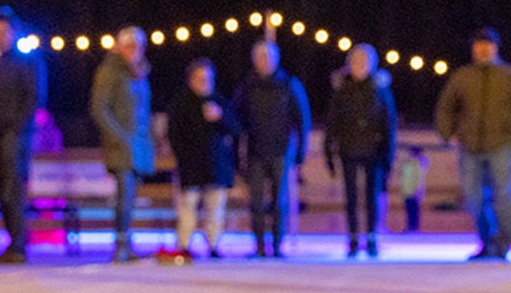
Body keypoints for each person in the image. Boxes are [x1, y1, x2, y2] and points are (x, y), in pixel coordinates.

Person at [434, 27, 511, 259]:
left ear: (495, 47)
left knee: (504, 195)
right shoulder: (463, 76)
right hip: (470, 146)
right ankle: (486, 240)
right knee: (473, 196)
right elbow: (445, 107)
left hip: (502, 144)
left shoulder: (510, 75)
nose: (483, 50)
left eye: (487, 45)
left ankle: (503, 243)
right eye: (479, 45)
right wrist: (448, 133)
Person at [229, 39, 311, 258]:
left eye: (269, 57)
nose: (265, 61)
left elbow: (302, 120)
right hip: (256, 151)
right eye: (261, 57)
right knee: (255, 202)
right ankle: (258, 245)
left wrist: (301, 150)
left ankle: (277, 244)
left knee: (279, 201)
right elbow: (236, 122)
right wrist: (238, 156)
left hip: (282, 151)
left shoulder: (289, 84)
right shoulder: (247, 86)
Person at [0, 6, 46, 264]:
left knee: (11, 187)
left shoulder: (26, 60)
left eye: (2, 31)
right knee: (1, 189)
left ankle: (18, 244)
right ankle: (12, 242)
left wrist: (17, 126)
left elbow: (34, 98)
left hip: (14, 135)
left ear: (14, 31)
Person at [324, 43, 397, 258]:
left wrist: (387, 154)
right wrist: (329, 150)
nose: (360, 66)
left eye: (364, 62)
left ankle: (372, 235)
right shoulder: (341, 91)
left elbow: (388, 123)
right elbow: (332, 122)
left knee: (372, 196)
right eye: (356, 62)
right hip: (348, 149)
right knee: (351, 196)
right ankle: (353, 237)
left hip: (373, 151)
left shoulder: (379, 91)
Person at [90, 27, 154, 263]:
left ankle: (127, 242)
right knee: (124, 194)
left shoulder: (138, 73)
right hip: (120, 144)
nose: (135, 51)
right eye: (131, 46)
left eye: (139, 46)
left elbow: (142, 110)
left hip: (138, 144)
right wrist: (119, 137)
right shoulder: (109, 72)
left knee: (131, 195)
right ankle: (121, 245)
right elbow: (99, 109)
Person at [166, 58, 235, 259]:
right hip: (191, 165)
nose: (204, 82)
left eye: (207, 78)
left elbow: (236, 128)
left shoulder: (220, 102)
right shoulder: (181, 104)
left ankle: (213, 243)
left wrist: (220, 117)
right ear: (191, 80)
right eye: (199, 78)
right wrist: (182, 157)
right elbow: (174, 135)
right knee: (187, 206)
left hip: (216, 165)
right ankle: (184, 244)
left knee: (216, 206)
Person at [397, 145, 428, 232]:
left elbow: (420, 178)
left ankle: (414, 227)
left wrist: (419, 189)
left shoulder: (419, 164)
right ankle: (410, 226)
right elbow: (402, 175)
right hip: (407, 190)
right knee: (409, 210)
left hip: (414, 191)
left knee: (414, 210)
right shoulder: (408, 163)